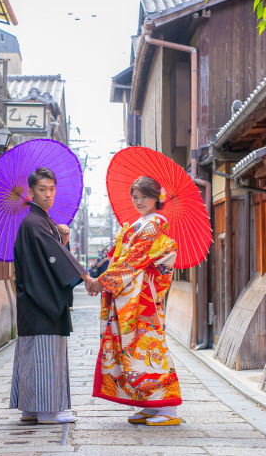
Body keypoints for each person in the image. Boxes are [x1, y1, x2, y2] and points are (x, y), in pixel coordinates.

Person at [86, 176, 182, 426]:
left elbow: (134, 260)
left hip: (143, 299)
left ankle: (168, 408)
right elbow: (124, 257)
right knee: (134, 353)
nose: (139, 202)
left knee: (151, 351)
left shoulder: (155, 224)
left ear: (156, 198)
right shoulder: (141, 223)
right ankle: (149, 403)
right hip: (133, 296)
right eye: (135, 197)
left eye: (145, 197)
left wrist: (101, 281)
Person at [9, 167, 92, 424]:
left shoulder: (38, 221)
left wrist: (62, 240)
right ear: (31, 192)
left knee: (31, 356)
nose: (48, 194)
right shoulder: (35, 222)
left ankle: (30, 409)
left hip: (32, 300)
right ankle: (47, 411)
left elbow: (49, 257)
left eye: (51, 189)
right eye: (42, 189)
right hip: (41, 302)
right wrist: (87, 277)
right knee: (44, 355)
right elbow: (52, 260)